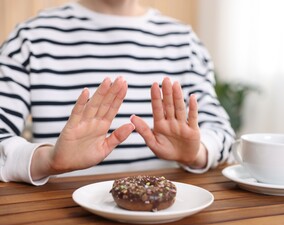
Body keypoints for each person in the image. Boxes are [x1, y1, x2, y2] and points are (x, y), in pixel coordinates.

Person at [0, 0, 235, 185]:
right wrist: (47, 160)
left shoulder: (185, 43)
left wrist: (197, 152)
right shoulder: (30, 39)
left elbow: (222, 134)